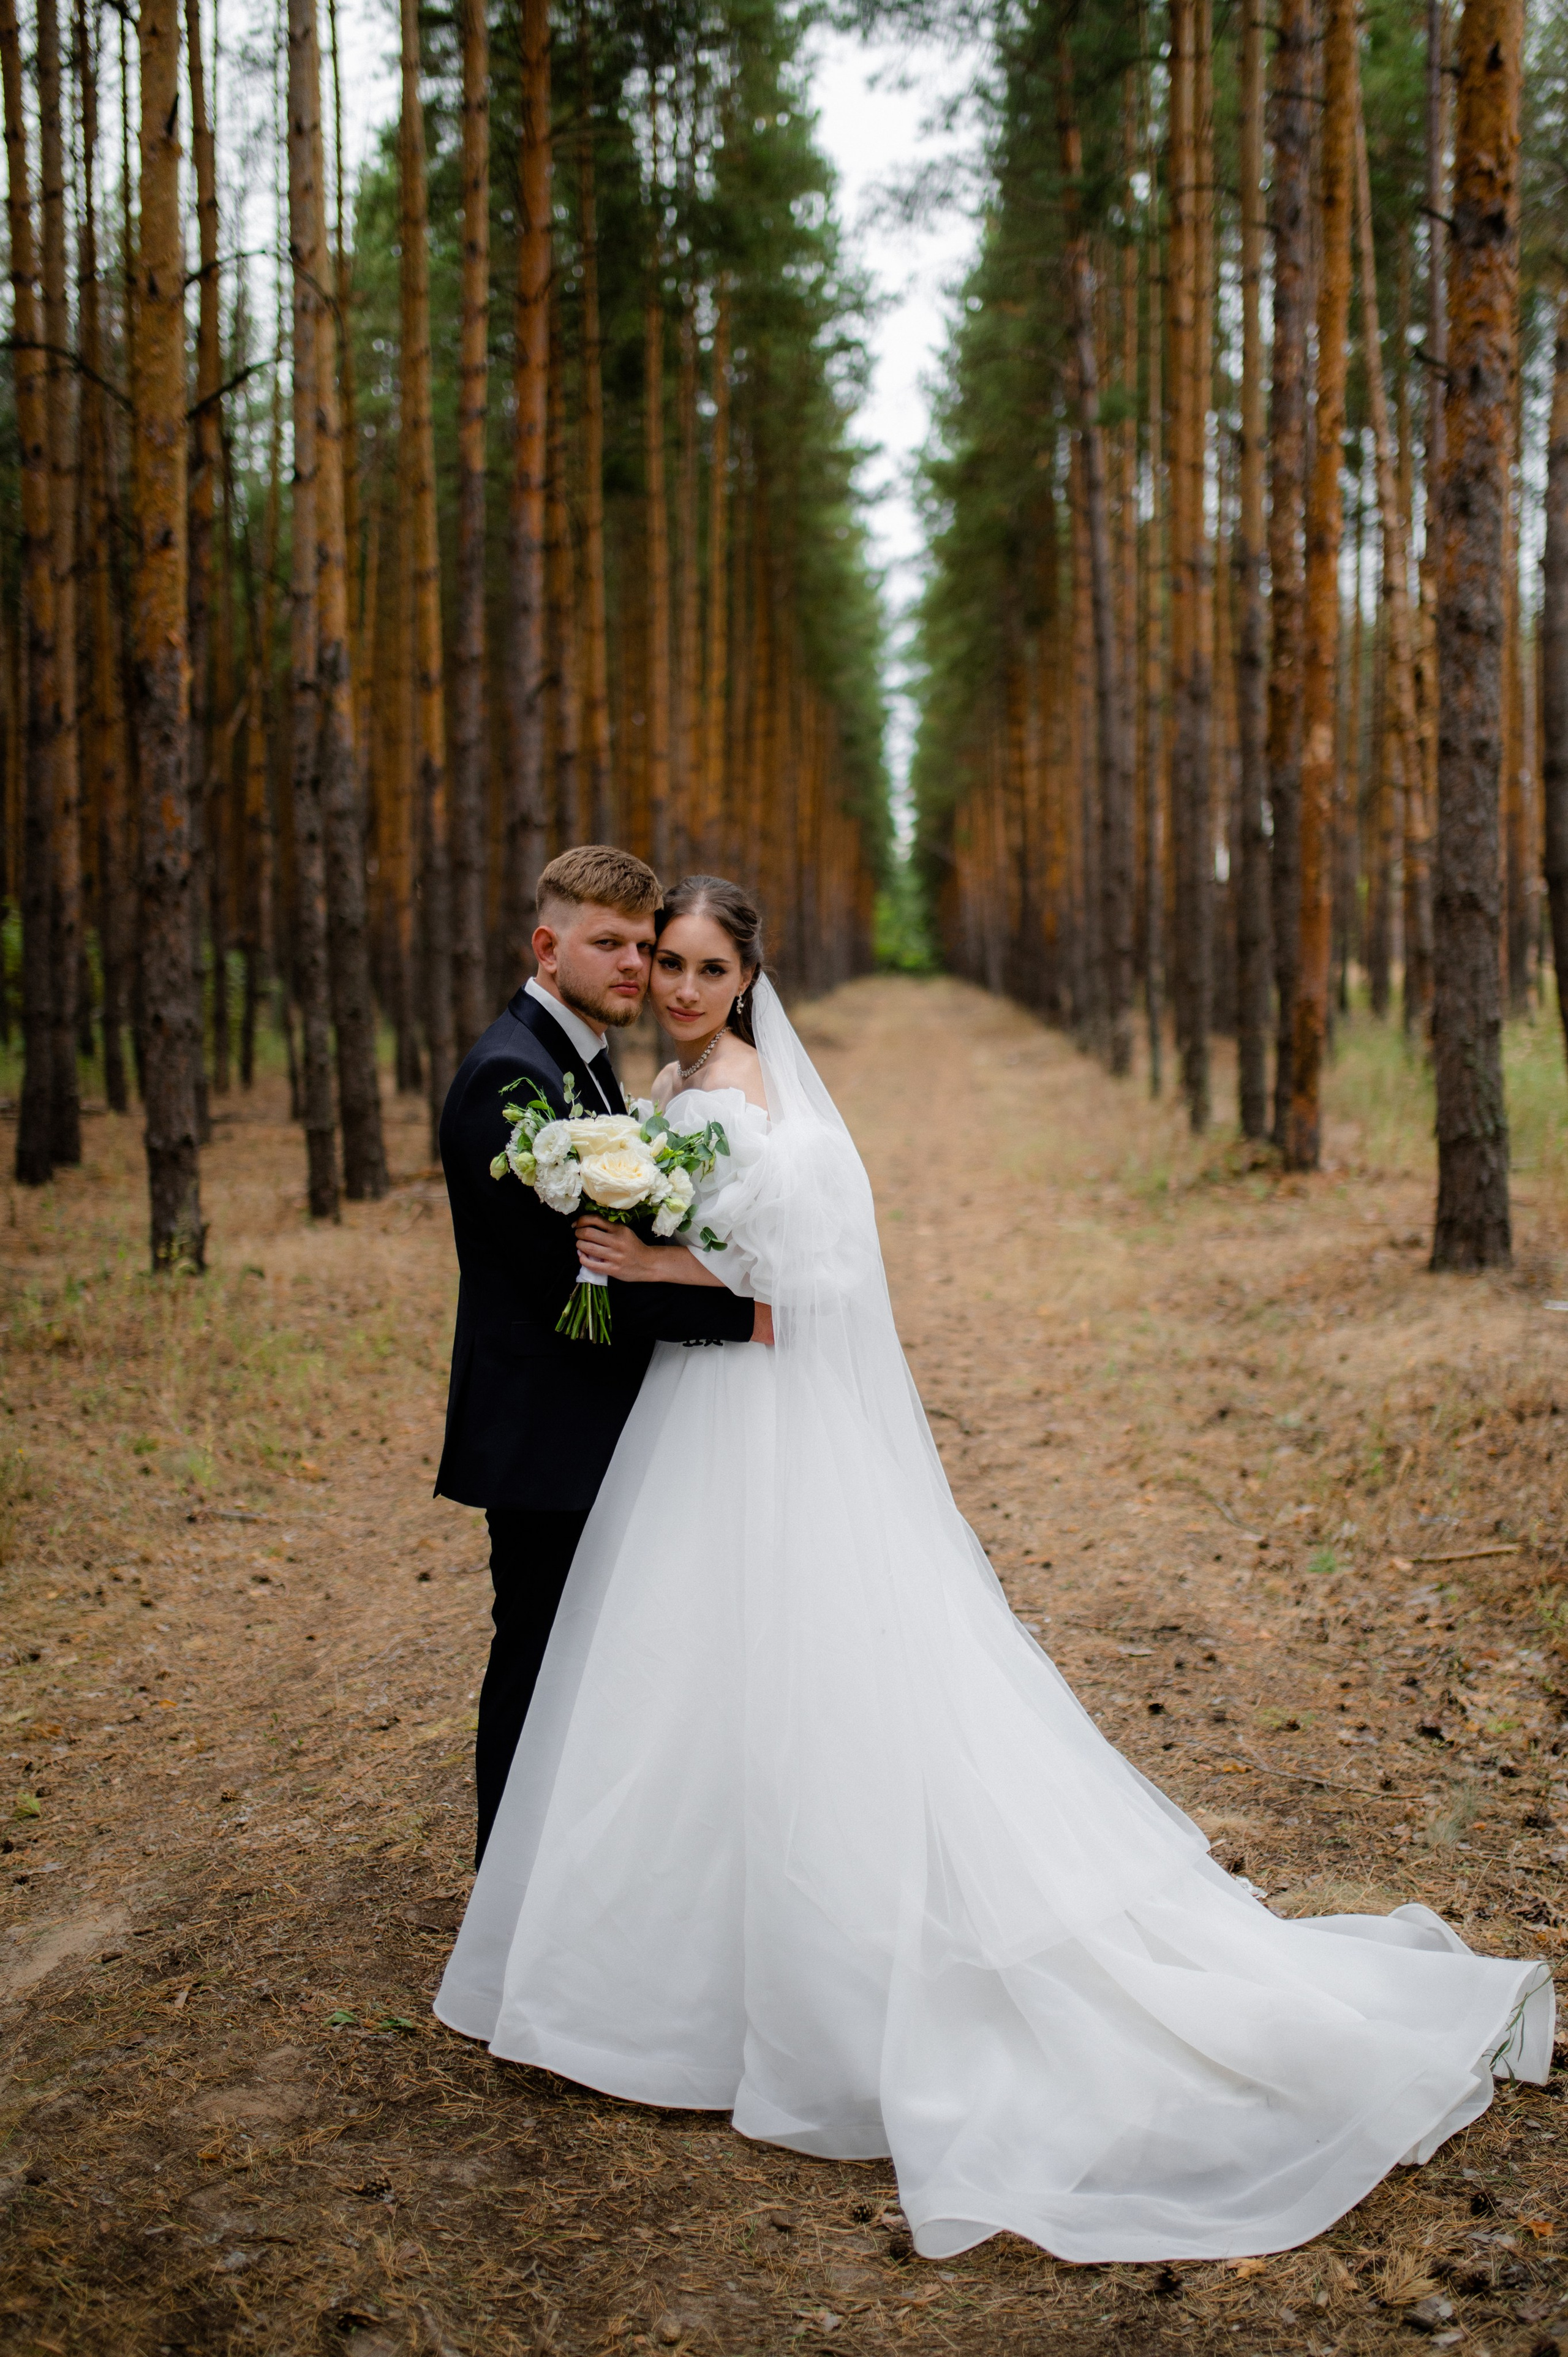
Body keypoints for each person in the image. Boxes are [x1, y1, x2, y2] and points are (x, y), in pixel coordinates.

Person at [435, 872, 1553, 2266]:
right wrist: (642, 1250)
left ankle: (799, 1981)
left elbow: (808, 1286)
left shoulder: (758, 1102)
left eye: (704, 968)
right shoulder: (659, 1087)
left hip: (754, 1430)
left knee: (791, 1673)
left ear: (745, 978)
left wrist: (656, 1268)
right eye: (663, 960)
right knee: (680, 1682)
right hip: (680, 1427)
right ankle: (670, 1967)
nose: (676, 986)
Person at [434, 846, 768, 1867]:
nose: (637, 968)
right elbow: (570, 1287)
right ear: (550, 945)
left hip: (594, 1421)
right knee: (536, 1657)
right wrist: (743, 1322)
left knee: (586, 1663)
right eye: (612, 946)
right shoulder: (510, 1075)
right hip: (548, 1435)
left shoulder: (581, 1059)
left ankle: (568, 1885)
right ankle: (511, 1889)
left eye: (646, 947)